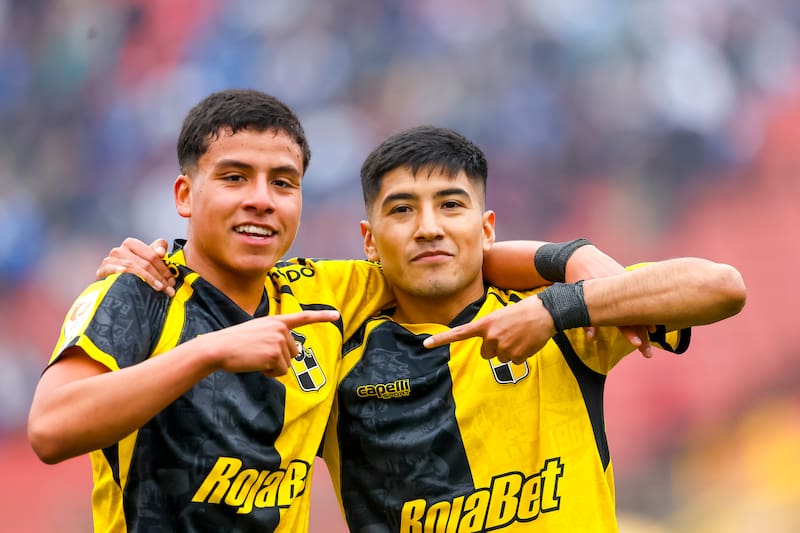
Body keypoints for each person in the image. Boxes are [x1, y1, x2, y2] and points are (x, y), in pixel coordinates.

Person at [28, 90, 630, 532]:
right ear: (185, 195)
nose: (261, 200)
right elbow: (51, 429)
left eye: (283, 183)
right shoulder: (140, 291)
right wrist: (207, 354)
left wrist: (567, 258)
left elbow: (449, 259)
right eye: (235, 177)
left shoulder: (325, 293)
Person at [317, 125, 746, 532]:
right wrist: (562, 259)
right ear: (369, 240)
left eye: (451, 205)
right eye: (402, 209)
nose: (429, 228)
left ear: (486, 229)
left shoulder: (561, 326)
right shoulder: (335, 359)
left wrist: (554, 309)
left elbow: (720, 287)